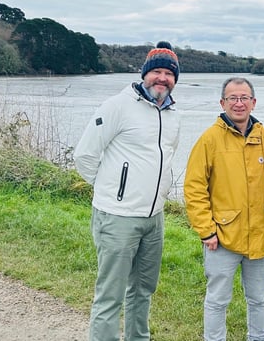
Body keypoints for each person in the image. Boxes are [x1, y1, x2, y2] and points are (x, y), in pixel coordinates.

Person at [74, 41, 183, 341]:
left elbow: (166, 158)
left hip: (154, 219)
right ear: (144, 73)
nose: (162, 78)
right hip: (117, 217)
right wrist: (112, 191)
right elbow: (84, 156)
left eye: (169, 74)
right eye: (157, 72)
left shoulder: (173, 115)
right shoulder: (117, 106)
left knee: (143, 290)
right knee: (110, 295)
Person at [184, 77, 264, 341]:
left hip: (260, 235)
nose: (239, 103)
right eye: (233, 98)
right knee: (217, 300)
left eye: (244, 98)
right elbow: (194, 187)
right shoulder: (210, 139)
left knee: (259, 298)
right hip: (222, 238)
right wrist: (206, 230)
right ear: (222, 103)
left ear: (253, 102)